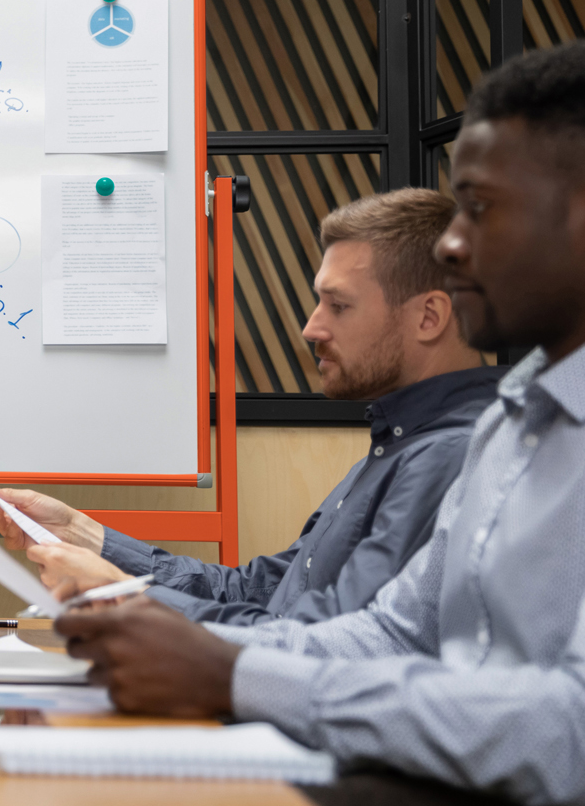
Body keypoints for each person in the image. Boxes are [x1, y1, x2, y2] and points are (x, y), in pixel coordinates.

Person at [54, 40, 585, 804]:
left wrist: (228, 670)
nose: (454, 242)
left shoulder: (457, 442)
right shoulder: (512, 423)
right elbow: (392, 632)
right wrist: (184, 645)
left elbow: (567, 731)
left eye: (481, 208)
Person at [0, 188, 497, 625]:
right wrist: (84, 536)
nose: (311, 328)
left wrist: (131, 596)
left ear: (429, 317)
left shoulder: (450, 458)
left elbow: (318, 643)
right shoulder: (397, 445)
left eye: (338, 306)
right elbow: (264, 593)